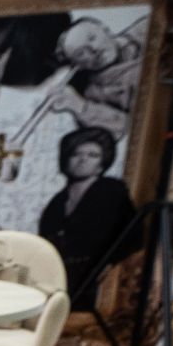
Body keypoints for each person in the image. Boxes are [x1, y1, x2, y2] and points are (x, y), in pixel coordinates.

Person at [38, 126, 137, 302]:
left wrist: (111, 264)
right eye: (76, 154)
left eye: (93, 155)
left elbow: (133, 234)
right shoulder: (57, 202)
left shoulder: (111, 191)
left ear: (101, 164)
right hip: (59, 276)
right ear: (66, 160)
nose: (83, 159)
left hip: (97, 277)